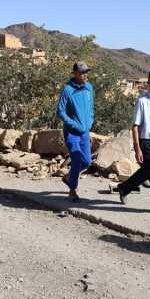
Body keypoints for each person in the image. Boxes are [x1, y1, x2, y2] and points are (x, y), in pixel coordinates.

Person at [117, 68, 150, 216]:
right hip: (145, 143)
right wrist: (137, 149)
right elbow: (135, 126)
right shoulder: (142, 101)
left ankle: (124, 188)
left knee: (148, 171)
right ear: (149, 82)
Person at [57, 61, 95, 202]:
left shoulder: (89, 87)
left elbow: (91, 107)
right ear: (75, 73)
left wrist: (91, 120)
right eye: (82, 72)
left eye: (86, 72)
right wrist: (73, 123)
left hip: (85, 132)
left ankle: (68, 177)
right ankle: (73, 190)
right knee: (77, 160)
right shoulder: (68, 90)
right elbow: (60, 111)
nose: (85, 75)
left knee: (86, 162)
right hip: (72, 132)